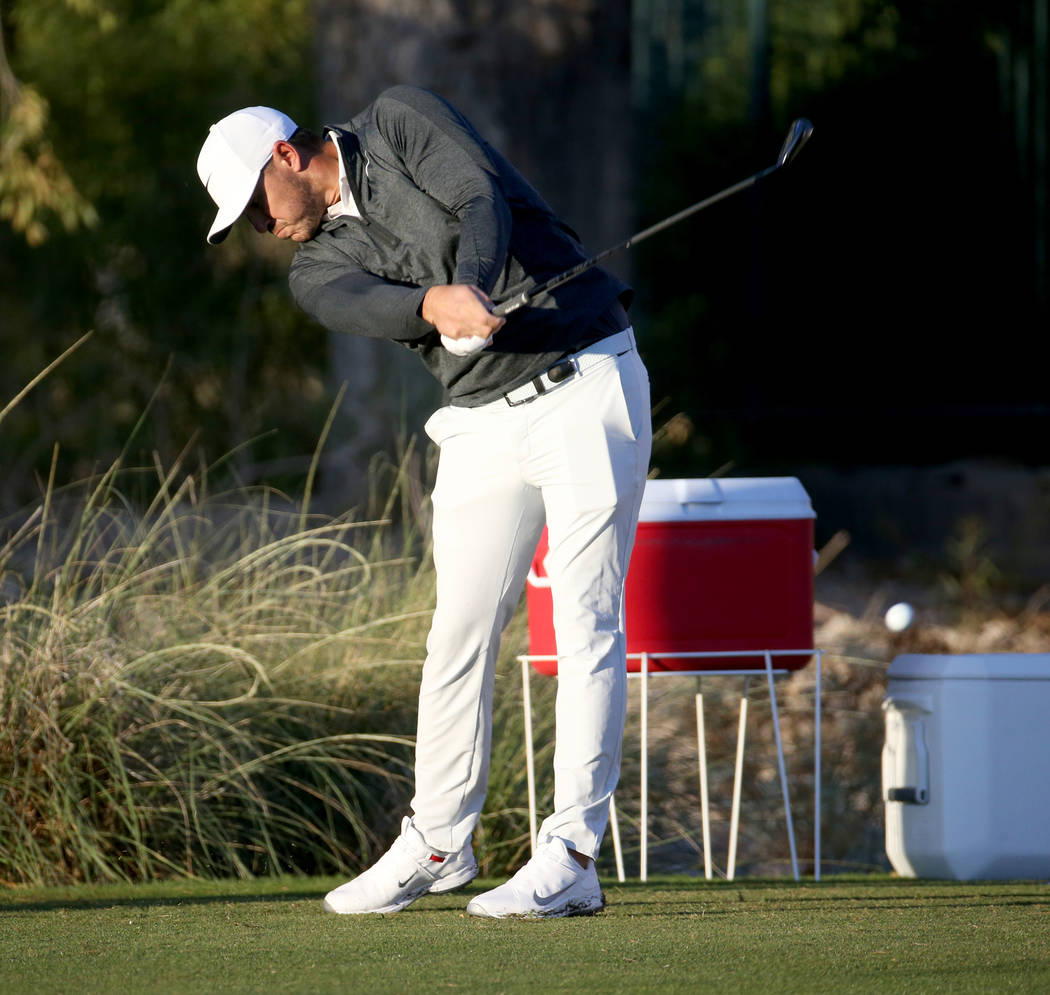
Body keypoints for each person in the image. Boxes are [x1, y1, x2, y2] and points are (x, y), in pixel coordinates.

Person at [197, 86, 651, 919]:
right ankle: (440, 841)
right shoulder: (314, 269)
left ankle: (572, 851)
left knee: (585, 620)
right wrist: (429, 303)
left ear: (286, 157)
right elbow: (370, 304)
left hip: (584, 379)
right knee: (456, 635)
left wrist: (468, 281)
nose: (260, 229)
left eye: (254, 207)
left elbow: (480, 195)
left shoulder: (400, 119)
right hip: (479, 422)